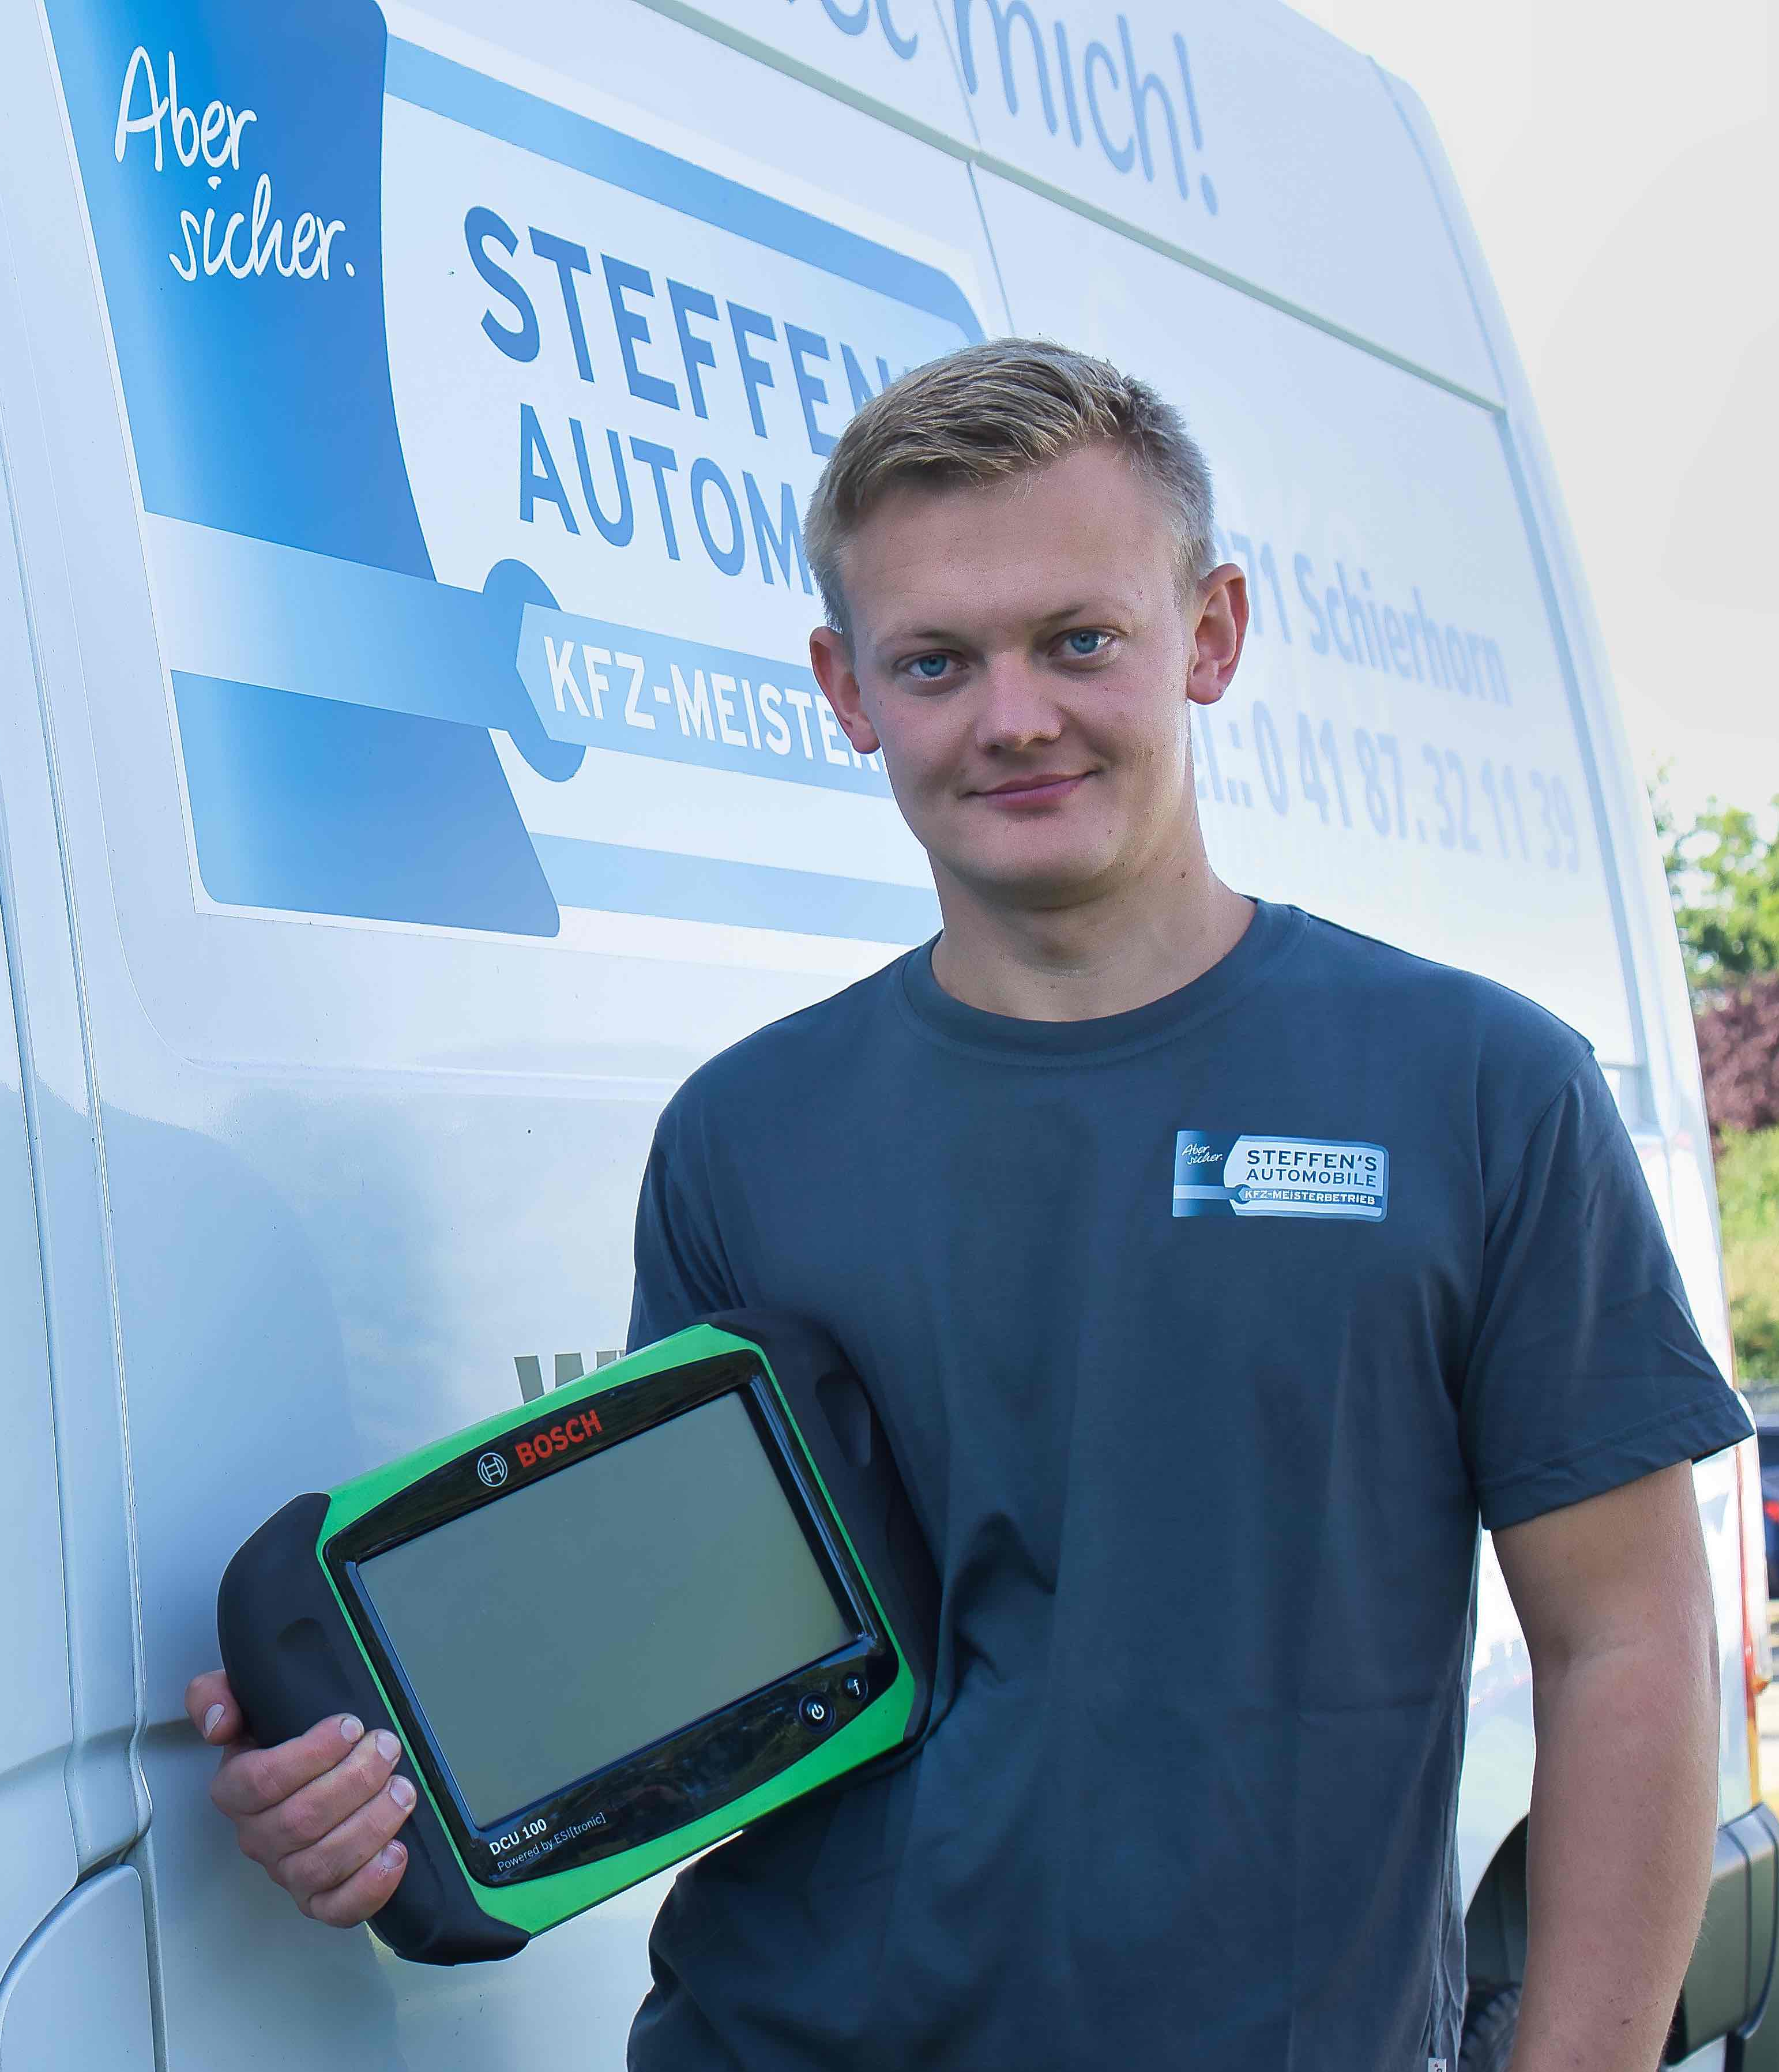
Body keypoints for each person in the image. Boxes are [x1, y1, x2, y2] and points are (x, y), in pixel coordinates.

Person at [183, 339, 1750, 2070]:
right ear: (845, 689)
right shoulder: (743, 1135)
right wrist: (369, 1779)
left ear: (1209, 633)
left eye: (1079, 641)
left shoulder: (1476, 1089)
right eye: (935, 661)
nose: (1014, 717)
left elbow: (1627, 1647)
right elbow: (679, 1678)